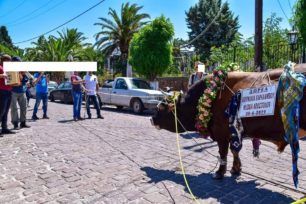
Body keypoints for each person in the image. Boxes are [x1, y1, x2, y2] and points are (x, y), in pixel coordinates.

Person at [10, 57, 30, 129]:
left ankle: (23, 123)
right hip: (13, 91)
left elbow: (26, 80)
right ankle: (15, 124)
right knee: (14, 108)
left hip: (22, 91)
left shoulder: (22, 70)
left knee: (24, 107)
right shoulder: (10, 70)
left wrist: (22, 82)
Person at [0, 54, 15, 135]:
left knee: (5, 111)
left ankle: (4, 128)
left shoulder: (7, 69)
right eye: (8, 61)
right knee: (1, 111)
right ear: (4, 60)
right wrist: (2, 75)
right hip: (2, 91)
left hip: (9, 91)